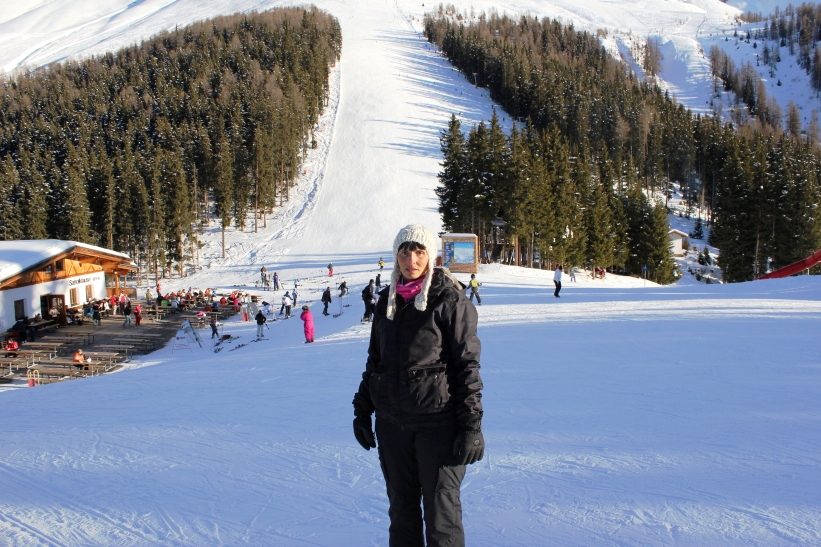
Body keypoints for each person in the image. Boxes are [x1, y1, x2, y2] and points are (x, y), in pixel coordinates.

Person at [352, 224, 484, 547]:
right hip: (392, 426)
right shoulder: (386, 302)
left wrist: (471, 426)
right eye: (404, 252)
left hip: (437, 425)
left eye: (419, 252)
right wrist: (362, 410)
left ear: (430, 256)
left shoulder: (449, 300)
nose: (411, 259)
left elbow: (467, 366)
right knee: (402, 514)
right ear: (396, 256)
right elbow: (376, 362)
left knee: (442, 518)